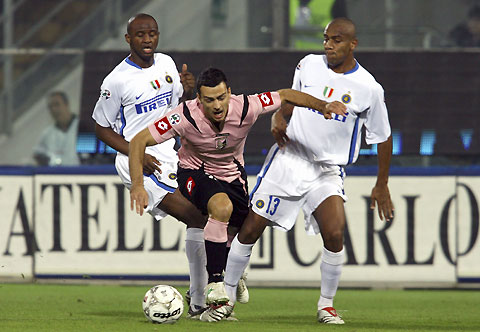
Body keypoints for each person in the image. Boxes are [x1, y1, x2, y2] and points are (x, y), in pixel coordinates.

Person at [129, 67, 347, 322]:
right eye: (209, 100)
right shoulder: (184, 115)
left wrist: (322, 106)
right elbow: (138, 141)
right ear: (198, 99)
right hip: (194, 172)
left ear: (229, 93)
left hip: (232, 176)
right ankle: (215, 286)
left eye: (221, 97)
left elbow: (286, 95)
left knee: (244, 232)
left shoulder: (246, 106)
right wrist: (137, 185)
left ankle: (222, 282)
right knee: (221, 208)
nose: (217, 105)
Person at [219, 17, 394, 324]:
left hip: (327, 170)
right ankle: (226, 298)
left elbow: (382, 137)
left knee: (335, 233)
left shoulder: (369, 88)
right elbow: (291, 97)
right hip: (290, 159)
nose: (328, 45)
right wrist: (279, 119)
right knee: (250, 229)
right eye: (326, 38)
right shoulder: (308, 64)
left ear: (353, 44)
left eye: (336, 40)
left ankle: (326, 305)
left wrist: (382, 184)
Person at [91, 13, 209, 319]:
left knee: (210, 217)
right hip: (138, 162)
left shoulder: (167, 64)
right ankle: (205, 295)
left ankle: (209, 290)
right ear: (128, 39)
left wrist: (190, 89)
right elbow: (101, 129)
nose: (147, 40)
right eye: (140, 35)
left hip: (172, 155)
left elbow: (177, 111)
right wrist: (137, 152)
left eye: (152, 34)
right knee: (196, 217)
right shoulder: (116, 80)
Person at [33, 91, 80, 166]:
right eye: (50, 107)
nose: (53, 109)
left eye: (57, 105)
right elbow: (38, 154)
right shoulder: (47, 134)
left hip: (80, 174)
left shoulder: (82, 127)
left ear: (66, 104)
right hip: (55, 175)